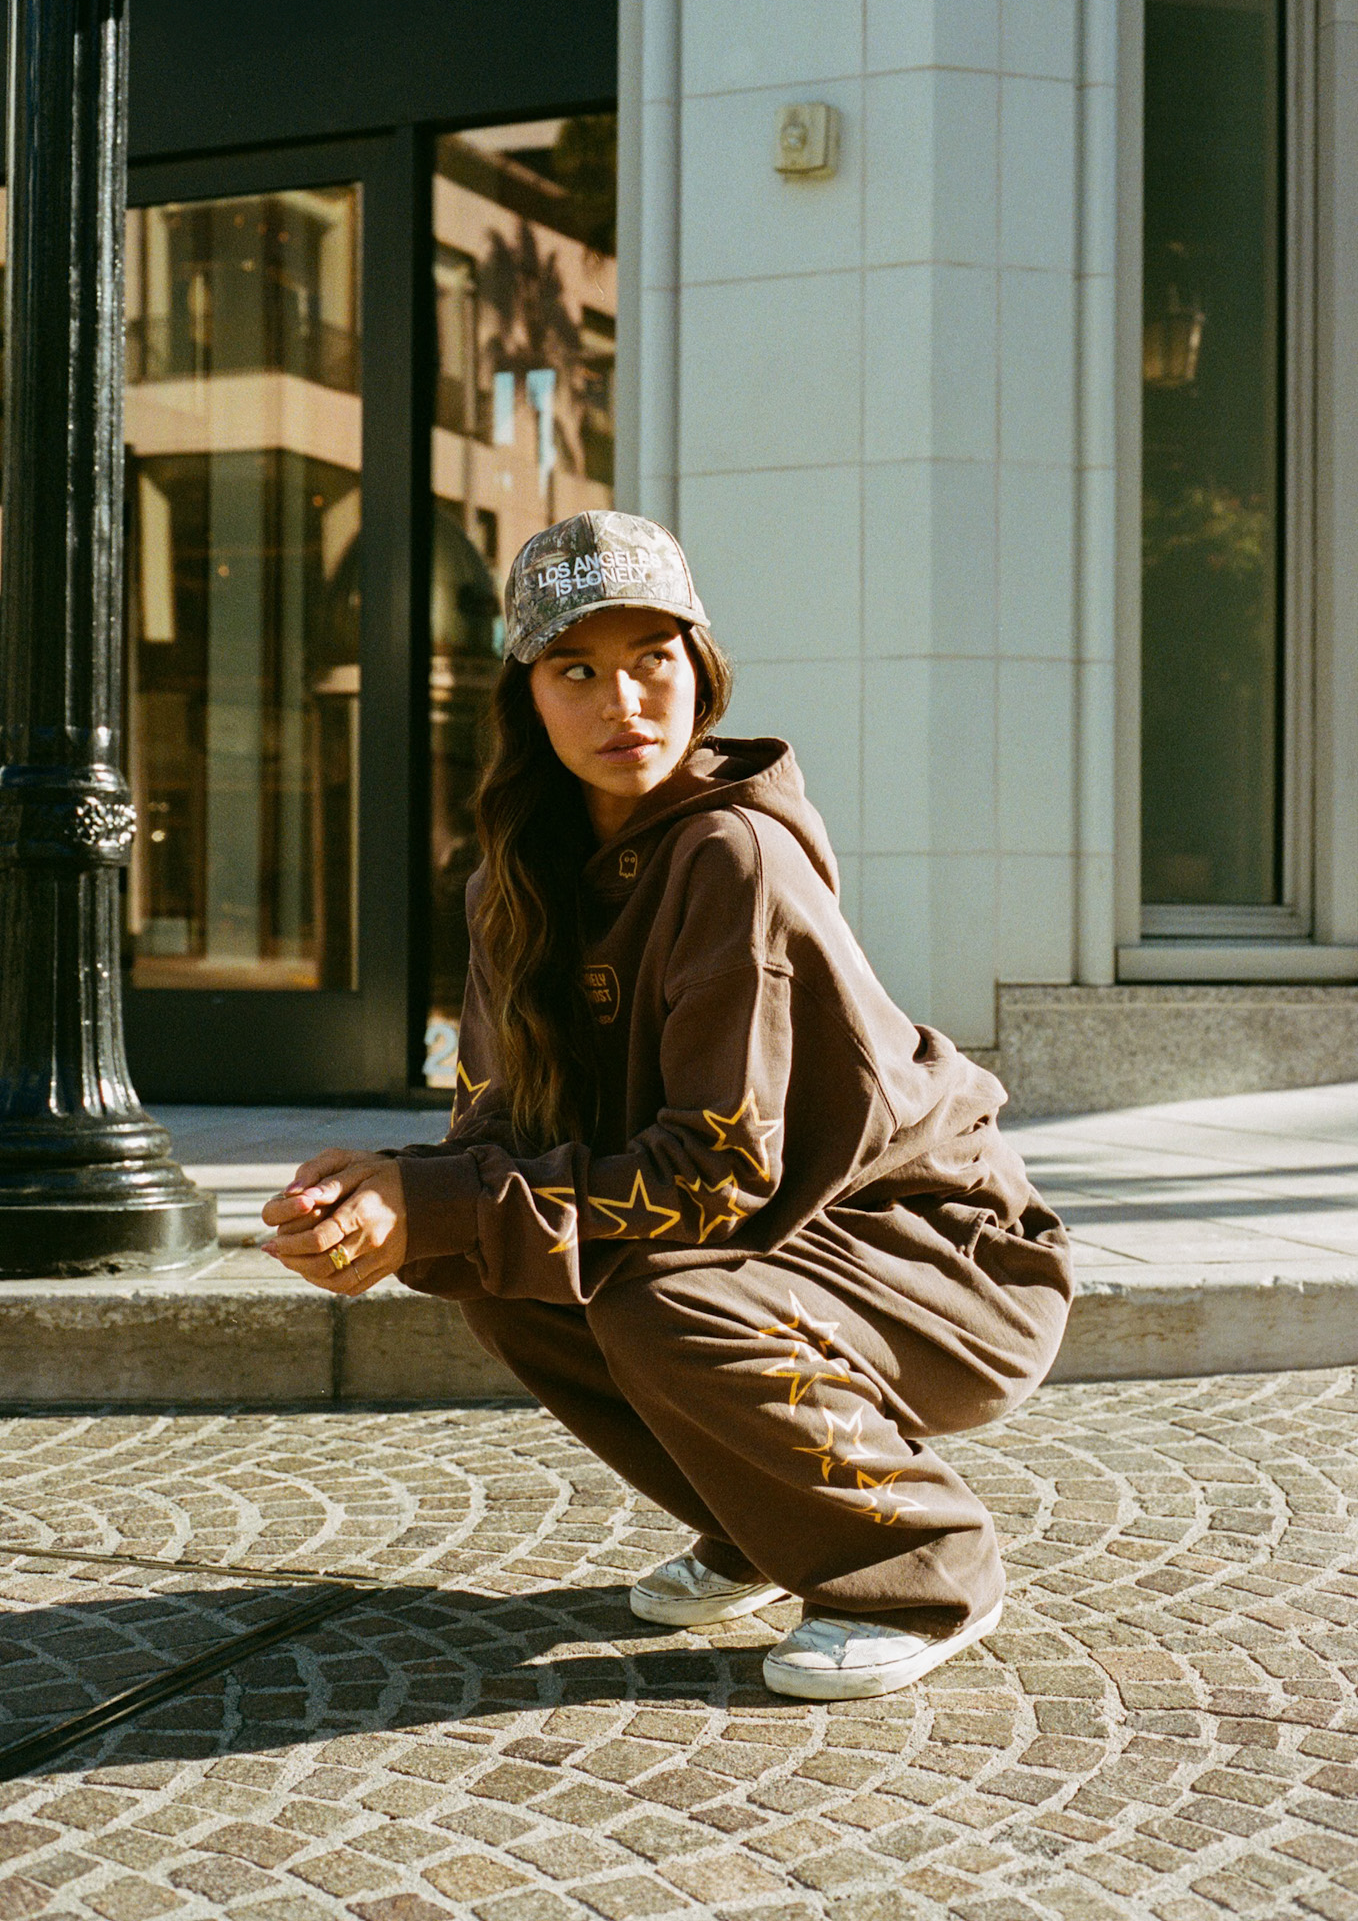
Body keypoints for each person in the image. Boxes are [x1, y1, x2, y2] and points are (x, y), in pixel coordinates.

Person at [262, 510, 1072, 1702]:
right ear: (526, 696)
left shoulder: (733, 856)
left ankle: (918, 1565)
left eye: (652, 658)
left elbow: (714, 1174)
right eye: (576, 670)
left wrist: (439, 1202)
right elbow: (498, 1135)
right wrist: (382, 1199)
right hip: (783, 1247)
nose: (623, 700)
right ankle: (765, 1523)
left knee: (652, 1294)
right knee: (499, 1269)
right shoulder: (508, 882)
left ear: (700, 670)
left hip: (937, 1254)